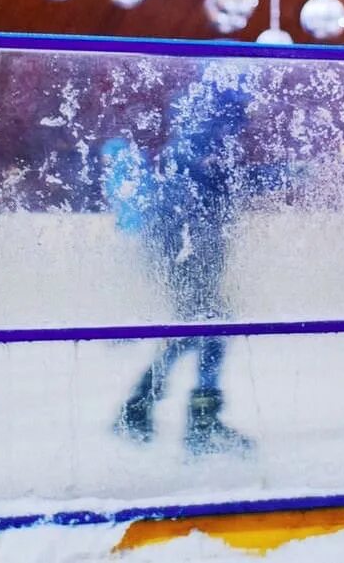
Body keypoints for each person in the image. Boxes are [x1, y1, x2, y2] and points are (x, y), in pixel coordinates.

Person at [109, 74, 280, 456]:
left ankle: (141, 407)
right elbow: (215, 177)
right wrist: (283, 174)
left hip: (188, 241)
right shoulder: (203, 127)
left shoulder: (205, 124)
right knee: (211, 324)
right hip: (184, 242)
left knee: (197, 327)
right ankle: (197, 420)